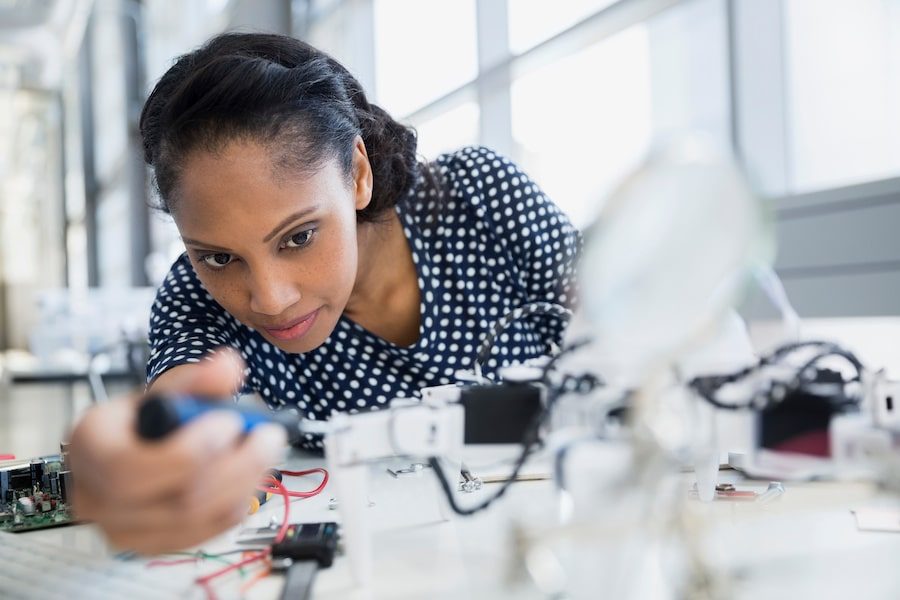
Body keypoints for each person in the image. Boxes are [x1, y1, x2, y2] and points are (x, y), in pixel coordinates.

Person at [69, 32, 580, 553]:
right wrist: (144, 464)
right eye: (219, 257)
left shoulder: (479, 198)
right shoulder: (196, 297)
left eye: (299, 236)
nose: (269, 299)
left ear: (357, 173)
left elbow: (631, 329)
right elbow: (176, 415)